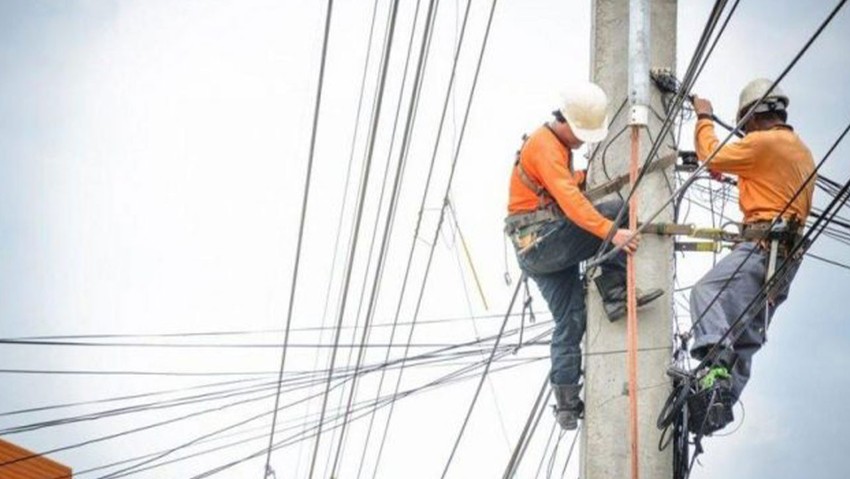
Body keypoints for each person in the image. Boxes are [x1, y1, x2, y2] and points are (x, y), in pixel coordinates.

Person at [504, 81, 663, 430]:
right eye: (580, 133)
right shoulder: (545, 145)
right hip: (544, 241)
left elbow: (561, 185)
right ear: (564, 122)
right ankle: (615, 292)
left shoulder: (554, 148)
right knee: (617, 209)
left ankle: (565, 404)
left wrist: (581, 177)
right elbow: (571, 202)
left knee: (571, 320)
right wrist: (611, 231)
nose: (581, 140)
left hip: (536, 251)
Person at [688, 78, 815, 434]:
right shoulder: (799, 149)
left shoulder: (763, 143)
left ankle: (713, 368)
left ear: (755, 116)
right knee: (747, 329)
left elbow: (710, 152)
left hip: (762, 246)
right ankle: (718, 404)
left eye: (744, 126)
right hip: (786, 259)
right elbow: (769, 183)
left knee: (707, 293)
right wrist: (736, 175)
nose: (744, 134)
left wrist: (704, 116)